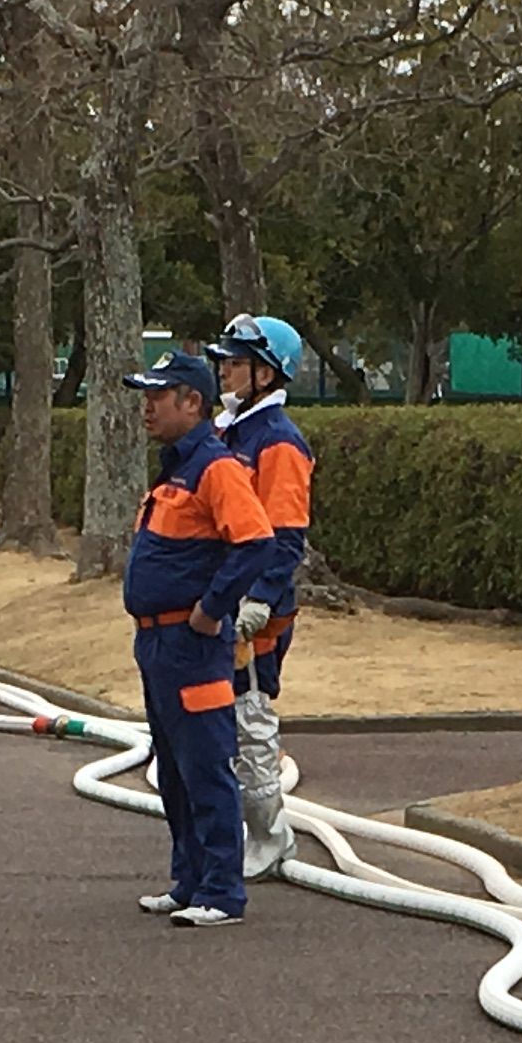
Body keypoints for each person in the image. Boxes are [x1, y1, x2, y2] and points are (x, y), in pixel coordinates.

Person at [120, 348, 274, 926]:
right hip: (157, 644)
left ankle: (222, 891)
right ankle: (188, 880)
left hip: (193, 644)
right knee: (174, 767)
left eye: (158, 397)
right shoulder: (177, 467)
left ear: (193, 402)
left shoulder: (215, 467)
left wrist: (212, 609)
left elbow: (255, 540)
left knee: (206, 765)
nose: (147, 408)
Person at [210, 312, 312, 878]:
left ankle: (270, 839)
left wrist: (260, 601)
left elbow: (284, 532)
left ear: (269, 373)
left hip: (254, 615)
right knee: (220, 724)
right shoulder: (231, 431)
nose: (225, 370)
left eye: (238, 362)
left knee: (250, 721)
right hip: (221, 600)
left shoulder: (277, 442)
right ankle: (242, 834)